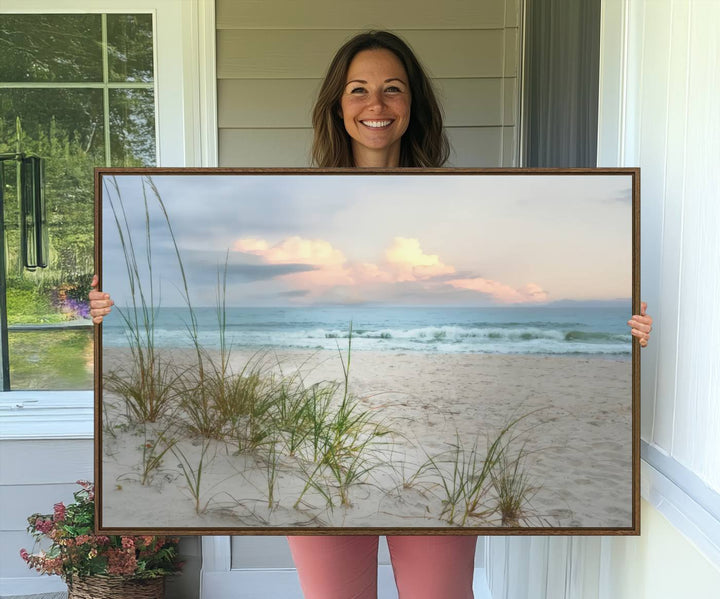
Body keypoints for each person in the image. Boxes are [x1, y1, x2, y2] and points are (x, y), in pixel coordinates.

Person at [89, 30, 653, 599]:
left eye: (392, 89)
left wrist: (622, 331)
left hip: (437, 453)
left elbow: (495, 291)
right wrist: (113, 309)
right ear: (338, 105)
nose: (376, 105)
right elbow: (219, 291)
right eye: (358, 90)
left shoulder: (462, 204)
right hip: (309, 450)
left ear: (413, 105)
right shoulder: (295, 202)